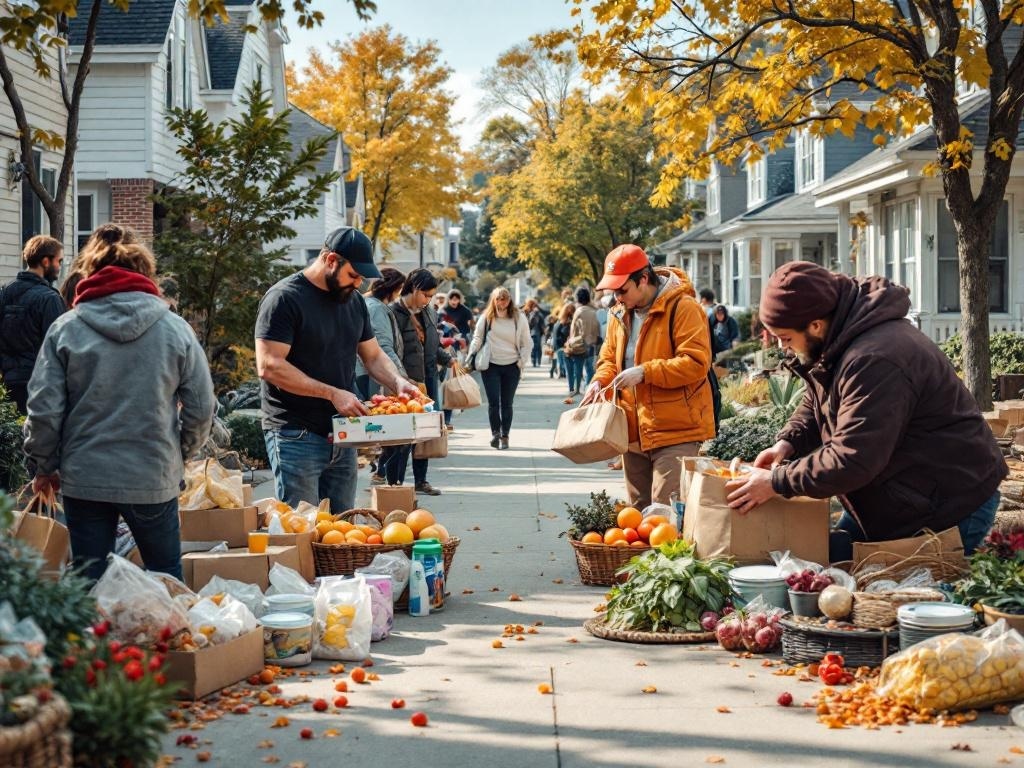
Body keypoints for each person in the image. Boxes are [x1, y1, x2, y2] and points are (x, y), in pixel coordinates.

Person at [723, 261, 1008, 560]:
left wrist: (777, 482)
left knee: (915, 598)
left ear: (816, 325)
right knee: (826, 561)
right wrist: (788, 441)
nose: (783, 348)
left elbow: (852, 458)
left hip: (949, 504)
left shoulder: (874, 359)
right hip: (899, 493)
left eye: (785, 338)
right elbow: (818, 398)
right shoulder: (840, 336)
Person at [22, 234, 215, 582]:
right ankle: (165, 638)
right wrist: (179, 453)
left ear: (90, 272)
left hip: (85, 477)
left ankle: (94, 637)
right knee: (165, 580)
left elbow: (43, 410)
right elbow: (202, 408)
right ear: (145, 273)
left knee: (90, 582)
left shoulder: (66, 329)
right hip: (152, 473)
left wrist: (44, 465)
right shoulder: (175, 330)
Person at [255, 226, 420, 513]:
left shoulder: (354, 302)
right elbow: (269, 365)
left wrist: (398, 381)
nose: (358, 284)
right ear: (331, 260)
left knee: (343, 526)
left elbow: (372, 355)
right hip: (296, 433)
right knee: (301, 528)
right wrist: (332, 394)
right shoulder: (284, 298)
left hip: (344, 433)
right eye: (353, 275)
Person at [581, 244, 715, 509]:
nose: (618, 297)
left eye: (622, 290)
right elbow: (609, 359)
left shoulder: (684, 307)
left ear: (643, 279)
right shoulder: (619, 314)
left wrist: (645, 372)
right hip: (632, 430)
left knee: (664, 514)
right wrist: (599, 381)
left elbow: (696, 363)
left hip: (676, 431)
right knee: (637, 513)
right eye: (614, 292)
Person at [382, 268, 454, 495]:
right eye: (426, 295)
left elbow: (432, 344)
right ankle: (394, 483)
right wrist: (399, 378)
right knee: (401, 436)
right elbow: (389, 349)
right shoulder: (393, 312)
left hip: (428, 379)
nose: (429, 300)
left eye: (432, 296)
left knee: (425, 432)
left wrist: (447, 359)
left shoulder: (429, 312)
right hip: (403, 381)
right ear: (414, 288)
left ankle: (421, 480)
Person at [0, 235, 65, 413]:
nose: (59, 266)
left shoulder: (5, 292)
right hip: (40, 384)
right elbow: (58, 346)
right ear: (46, 261)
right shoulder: (49, 299)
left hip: (8, 383)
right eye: (58, 261)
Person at [468, 286, 531, 450]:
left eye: (505, 299)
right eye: (498, 299)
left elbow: (527, 342)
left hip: (512, 366)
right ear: (493, 300)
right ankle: (495, 434)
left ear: (509, 301)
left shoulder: (518, 317)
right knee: (493, 403)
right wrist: (470, 355)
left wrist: (521, 362)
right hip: (491, 365)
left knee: (507, 403)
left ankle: (505, 436)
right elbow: (477, 338)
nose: (501, 302)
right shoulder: (487, 317)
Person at [355, 267, 406, 402]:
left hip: (364, 372)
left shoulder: (366, 303)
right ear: (393, 289)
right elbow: (383, 345)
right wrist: (400, 377)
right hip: (370, 374)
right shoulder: (377, 308)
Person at [552, 303, 574, 387]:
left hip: (561, 347)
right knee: (568, 367)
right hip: (564, 347)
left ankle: (571, 387)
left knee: (567, 367)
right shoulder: (564, 323)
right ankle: (572, 387)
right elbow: (561, 335)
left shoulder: (560, 322)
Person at [524, 298, 546, 367]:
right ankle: (534, 361)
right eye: (533, 305)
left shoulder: (538, 313)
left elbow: (542, 323)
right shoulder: (527, 313)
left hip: (537, 333)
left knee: (537, 347)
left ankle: (537, 361)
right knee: (534, 347)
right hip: (532, 333)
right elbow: (529, 323)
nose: (535, 306)